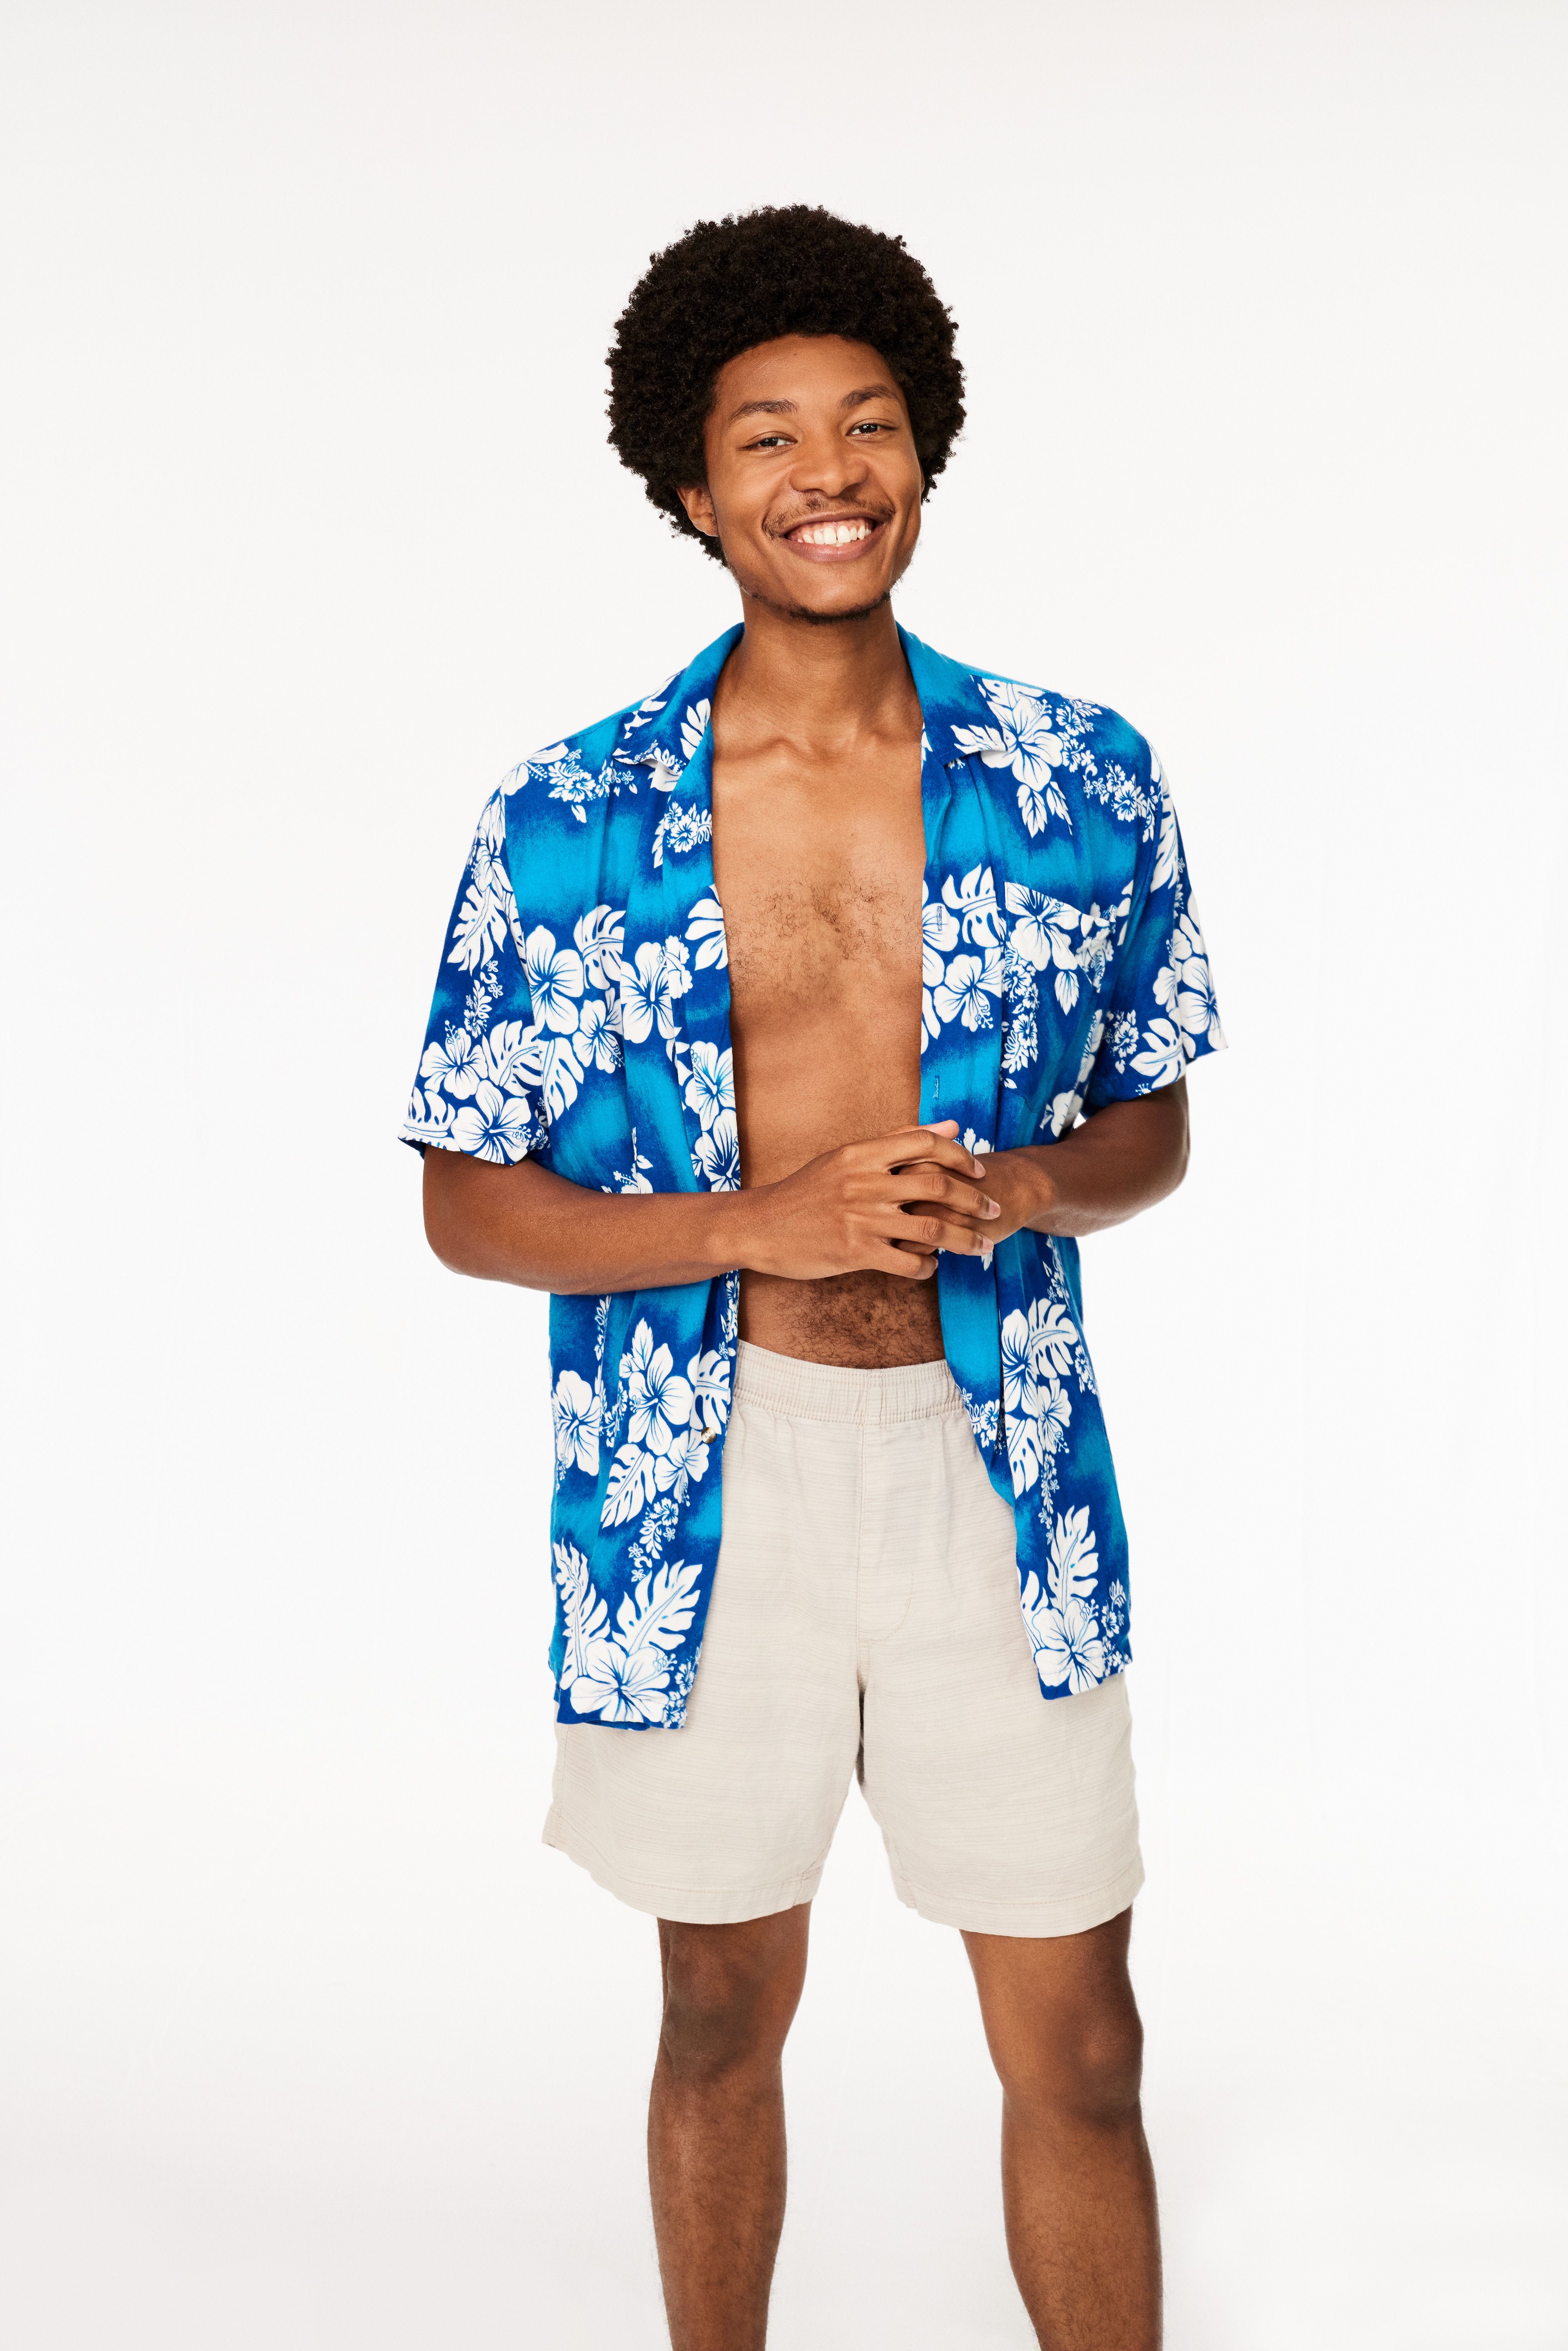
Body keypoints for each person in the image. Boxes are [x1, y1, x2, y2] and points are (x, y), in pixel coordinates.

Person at [402, 204, 1224, 2351]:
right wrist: (741, 1227)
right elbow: (467, 1200)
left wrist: (1035, 1191)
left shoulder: (1077, 777)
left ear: (924, 453)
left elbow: (1153, 1124)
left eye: (865, 423)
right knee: (708, 2018)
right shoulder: (570, 816)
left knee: (1085, 2047)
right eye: (763, 435)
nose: (823, 469)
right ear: (691, 492)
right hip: (704, 1477)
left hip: (998, 1465)